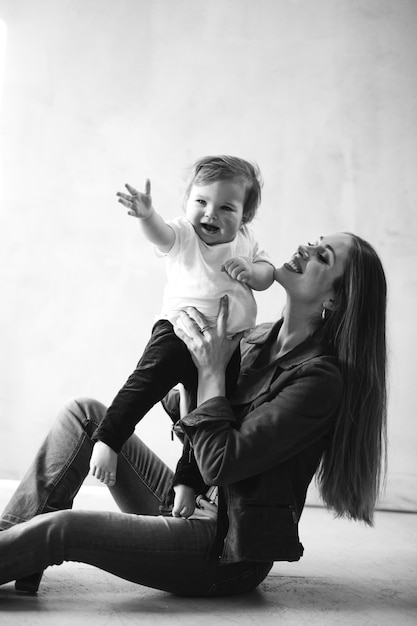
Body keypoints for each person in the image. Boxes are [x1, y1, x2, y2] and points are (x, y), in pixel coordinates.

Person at [0, 232, 387, 598]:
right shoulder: (253, 337)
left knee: (63, 529)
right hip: (186, 501)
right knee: (83, 413)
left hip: (223, 550)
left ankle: (18, 552)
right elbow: (187, 419)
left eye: (323, 256)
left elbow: (220, 462)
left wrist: (211, 371)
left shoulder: (320, 378)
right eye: (316, 242)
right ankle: (12, 547)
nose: (307, 247)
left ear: (335, 300)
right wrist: (178, 357)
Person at [90, 155, 275, 520]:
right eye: (201, 202)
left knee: (211, 413)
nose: (211, 214)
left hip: (227, 344)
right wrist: (147, 216)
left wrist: (253, 272)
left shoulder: (247, 243)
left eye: (226, 207)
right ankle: (108, 439)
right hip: (178, 330)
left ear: (245, 217)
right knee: (145, 382)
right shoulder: (185, 235)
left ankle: (187, 484)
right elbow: (163, 234)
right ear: (188, 202)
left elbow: (269, 274)